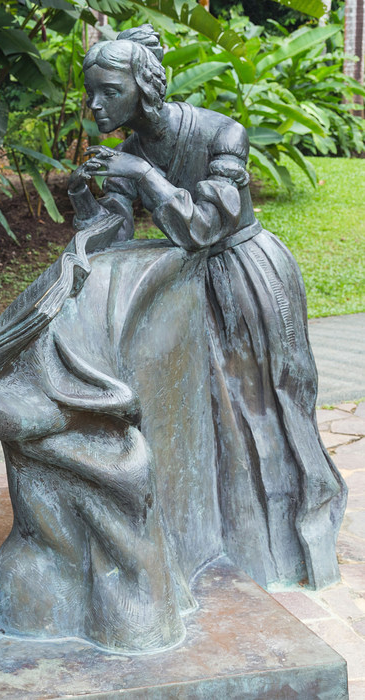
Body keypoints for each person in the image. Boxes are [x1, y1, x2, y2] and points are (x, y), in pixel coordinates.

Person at [67, 25, 346, 590]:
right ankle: (221, 537)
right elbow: (115, 232)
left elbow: (203, 227)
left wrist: (143, 176)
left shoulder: (223, 134)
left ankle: (291, 545)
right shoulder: (131, 152)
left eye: (109, 91)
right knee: (213, 415)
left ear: (145, 88)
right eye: (90, 91)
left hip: (246, 276)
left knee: (265, 404)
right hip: (187, 285)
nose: (95, 104)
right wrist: (82, 195)